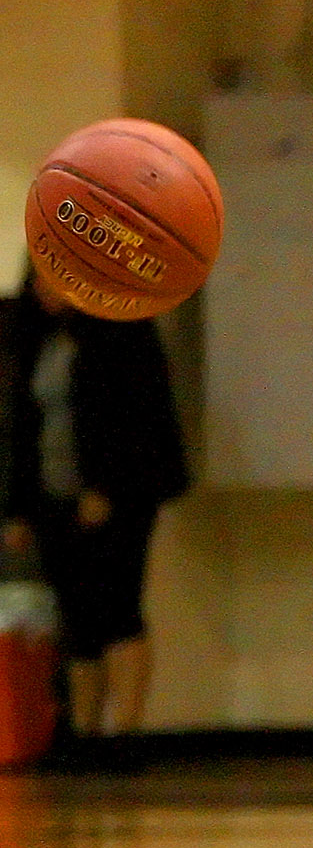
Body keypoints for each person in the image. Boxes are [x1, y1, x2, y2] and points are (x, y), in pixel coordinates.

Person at [0, 267, 189, 739]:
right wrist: (18, 508)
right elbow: (24, 427)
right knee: (77, 617)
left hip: (119, 497)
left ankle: (124, 731)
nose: (47, 291)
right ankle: (84, 732)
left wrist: (106, 487)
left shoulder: (124, 333)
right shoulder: (35, 339)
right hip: (53, 494)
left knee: (118, 608)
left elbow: (137, 419)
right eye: (40, 281)